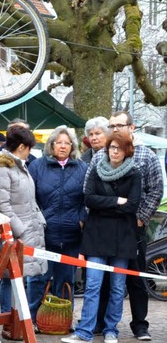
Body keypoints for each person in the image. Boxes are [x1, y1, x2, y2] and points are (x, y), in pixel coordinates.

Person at [86, 111, 162, 341]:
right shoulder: (100, 156)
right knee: (106, 279)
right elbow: (88, 191)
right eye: (112, 125)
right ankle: (101, 323)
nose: (115, 129)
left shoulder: (146, 156)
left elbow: (156, 189)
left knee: (135, 277)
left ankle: (140, 325)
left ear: (132, 127)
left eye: (120, 125)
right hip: (105, 228)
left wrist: (140, 217)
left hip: (133, 227)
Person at [62, 133, 142, 343]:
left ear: (127, 151)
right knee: (92, 286)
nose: (114, 151)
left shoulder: (134, 174)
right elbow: (89, 198)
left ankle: (110, 330)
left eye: (119, 148)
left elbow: (133, 205)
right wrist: (117, 201)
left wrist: (104, 204)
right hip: (96, 236)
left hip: (122, 238)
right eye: (112, 147)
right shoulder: (97, 169)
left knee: (117, 287)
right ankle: (84, 331)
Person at [27, 125, 87, 327]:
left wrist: (81, 218)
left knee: (66, 280)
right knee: (38, 279)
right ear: (51, 145)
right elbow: (30, 198)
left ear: (73, 146)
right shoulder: (37, 167)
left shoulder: (81, 168)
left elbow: (87, 198)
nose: (62, 146)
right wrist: (38, 219)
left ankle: (63, 320)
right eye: (58, 142)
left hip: (71, 235)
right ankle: (32, 319)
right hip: (44, 234)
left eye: (67, 143)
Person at [0, 125, 46, 338]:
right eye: (28, 148)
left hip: (29, 229)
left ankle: (15, 322)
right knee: (10, 278)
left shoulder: (18, 166)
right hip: (18, 233)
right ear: (21, 147)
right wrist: (20, 229)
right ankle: (8, 322)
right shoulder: (4, 168)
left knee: (19, 279)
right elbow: (2, 204)